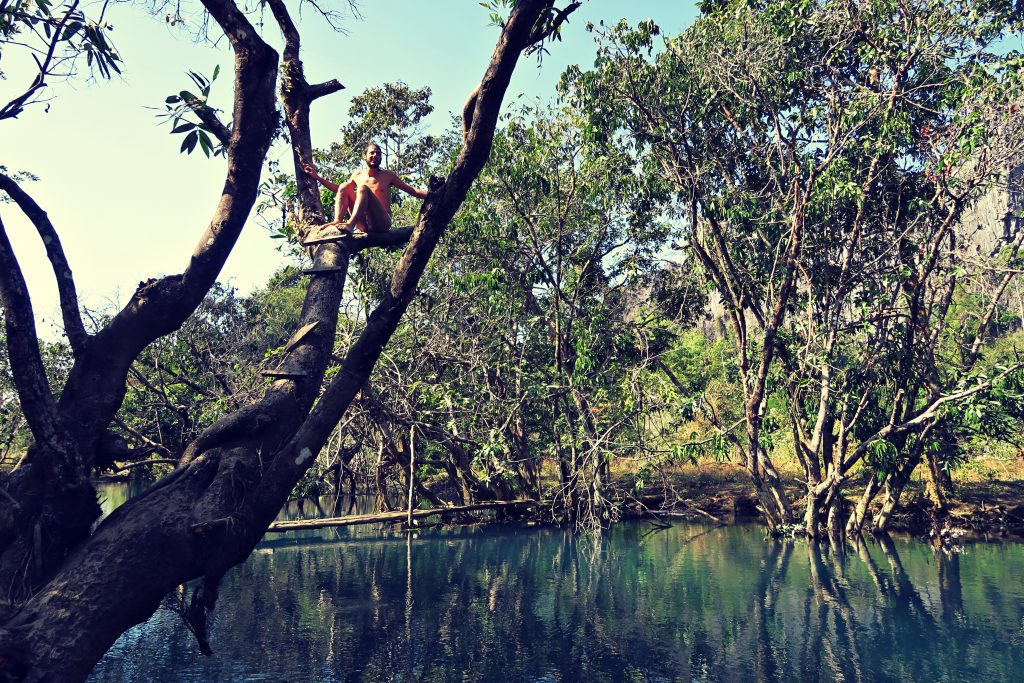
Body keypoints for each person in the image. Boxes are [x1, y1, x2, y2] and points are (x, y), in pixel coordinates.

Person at [302, 143, 428, 237]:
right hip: (363, 224)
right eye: (372, 153)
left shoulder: (388, 175)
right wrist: (317, 177)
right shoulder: (357, 175)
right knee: (345, 186)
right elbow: (339, 190)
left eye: (378, 154)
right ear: (365, 156)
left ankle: (350, 225)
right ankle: (337, 220)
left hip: (381, 222)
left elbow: (413, 191)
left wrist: (434, 194)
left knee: (362, 188)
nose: (375, 156)